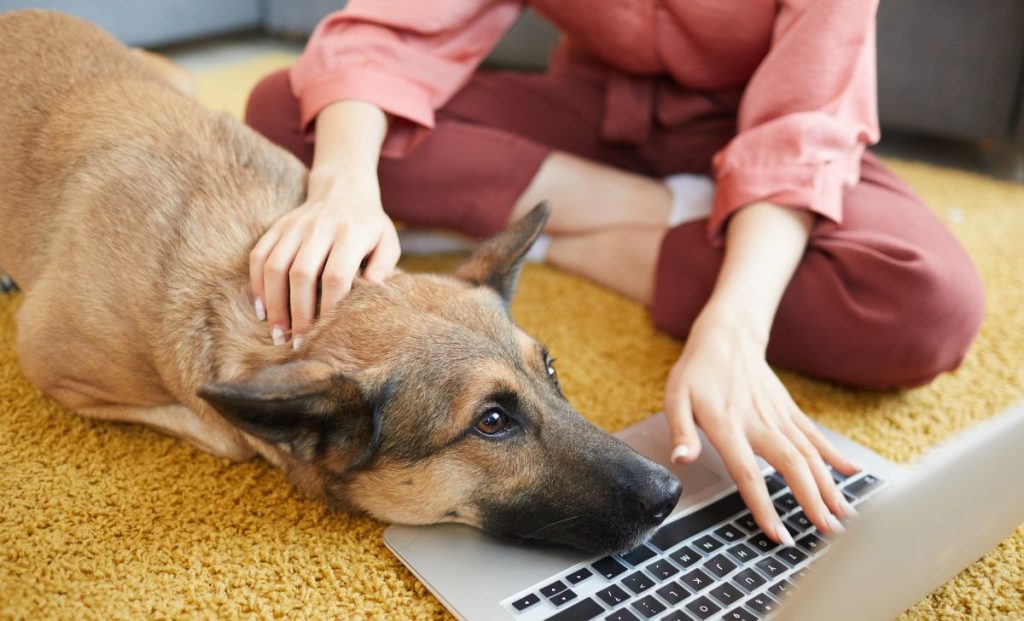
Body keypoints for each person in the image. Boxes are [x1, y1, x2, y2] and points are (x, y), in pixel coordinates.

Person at [243, 0, 984, 547]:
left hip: (755, 135)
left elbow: (802, 133)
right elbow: (386, 35)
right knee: (287, 112)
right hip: (590, 120)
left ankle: (563, 235)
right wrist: (344, 186)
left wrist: (732, 327)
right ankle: (657, 211)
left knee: (927, 303)